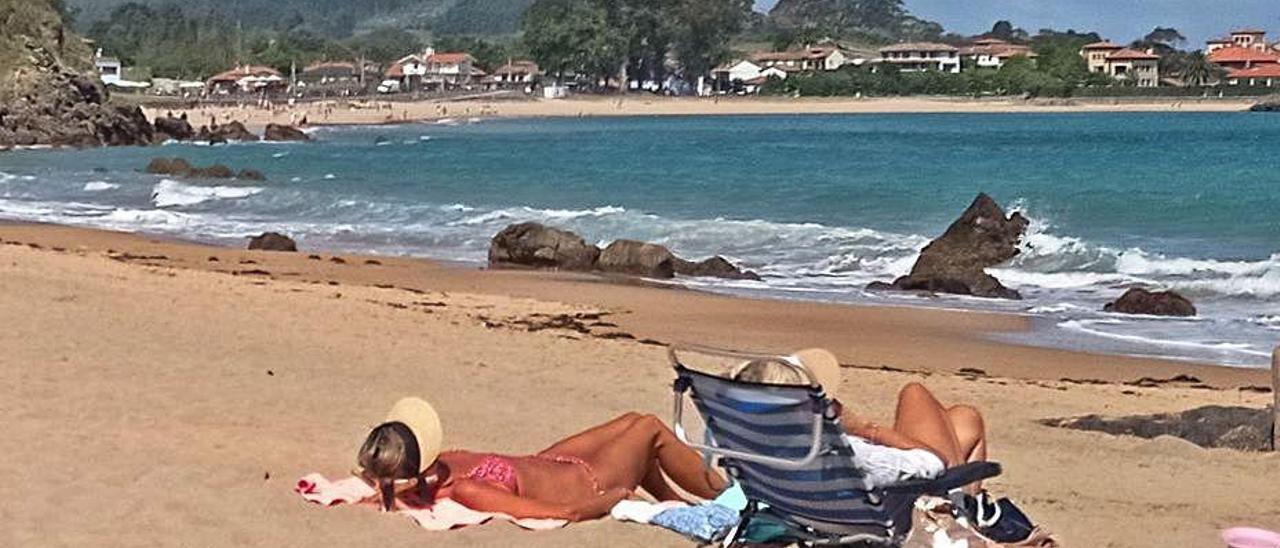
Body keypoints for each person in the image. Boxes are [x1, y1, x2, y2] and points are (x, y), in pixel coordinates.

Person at [355, 398, 728, 521]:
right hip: (588, 481)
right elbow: (559, 513)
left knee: (632, 420)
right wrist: (611, 498)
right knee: (648, 428)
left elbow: (387, 486)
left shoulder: (444, 466)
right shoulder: (468, 489)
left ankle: (680, 508)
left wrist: (382, 487)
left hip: (555, 460)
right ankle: (727, 497)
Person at [731, 349, 986, 491]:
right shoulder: (844, 455)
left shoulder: (749, 447)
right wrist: (867, 429)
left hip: (808, 504)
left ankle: (973, 511)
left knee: (965, 418)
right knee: (915, 392)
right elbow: (935, 463)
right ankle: (964, 512)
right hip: (907, 506)